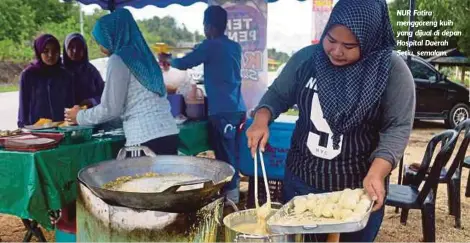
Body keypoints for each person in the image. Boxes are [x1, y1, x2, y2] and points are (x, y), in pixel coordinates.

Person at [246, 0, 415, 241]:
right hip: (302, 182)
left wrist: (378, 172)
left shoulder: (392, 72)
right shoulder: (307, 59)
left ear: (369, 41)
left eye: (349, 45)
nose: (336, 51)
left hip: (357, 192)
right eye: (331, 40)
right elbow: (277, 95)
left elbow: (397, 128)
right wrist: (261, 119)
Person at [160, 6, 246, 203]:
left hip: (222, 110)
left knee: (224, 155)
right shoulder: (234, 46)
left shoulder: (210, 46)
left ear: (208, 26)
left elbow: (184, 64)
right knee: (233, 153)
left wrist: (168, 59)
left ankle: (230, 198)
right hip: (238, 108)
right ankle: (232, 192)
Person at [65, 8, 179, 155]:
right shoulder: (146, 57)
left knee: (145, 178)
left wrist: (79, 116)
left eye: (101, 40)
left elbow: (110, 109)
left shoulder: (118, 59)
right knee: (167, 178)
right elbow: (132, 104)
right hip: (169, 133)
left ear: (112, 35)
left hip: (145, 138)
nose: (100, 46)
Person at [18, 34, 74, 128]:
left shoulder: (65, 75)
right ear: (39, 52)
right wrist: (23, 126)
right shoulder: (29, 74)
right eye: (45, 51)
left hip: (62, 127)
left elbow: (70, 103)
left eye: (55, 51)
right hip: (36, 128)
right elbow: (24, 103)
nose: (51, 55)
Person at [63, 33, 105, 108]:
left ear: (84, 49)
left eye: (79, 47)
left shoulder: (91, 71)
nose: (75, 51)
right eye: (71, 47)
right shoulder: (59, 71)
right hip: (63, 117)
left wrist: (92, 101)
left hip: (88, 115)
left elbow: (105, 94)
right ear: (65, 49)